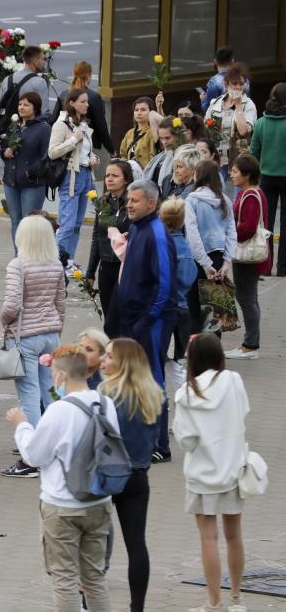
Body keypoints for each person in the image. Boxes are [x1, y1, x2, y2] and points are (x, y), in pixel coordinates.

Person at [5, 345, 119, 611]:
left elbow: (34, 456)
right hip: (99, 499)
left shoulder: (59, 410)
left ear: (62, 375)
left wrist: (21, 425)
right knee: (94, 577)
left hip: (63, 504)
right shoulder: (106, 403)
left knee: (65, 577)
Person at [173, 334, 250, 612]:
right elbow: (244, 413)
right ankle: (237, 598)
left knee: (208, 538)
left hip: (201, 473)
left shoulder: (186, 393)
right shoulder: (233, 381)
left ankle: (213, 602)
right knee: (234, 535)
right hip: (233, 469)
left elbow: (186, 441)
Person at [107, 179, 177, 462]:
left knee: (153, 378)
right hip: (132, 317)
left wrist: (146, 320)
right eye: (128, 200)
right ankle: (139, 434)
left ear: (151, 203)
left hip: (152, 320)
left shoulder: (158, 233)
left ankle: (160, 444)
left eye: (135, 200)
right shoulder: (137, 228)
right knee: (133, 377)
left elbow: (164, 285)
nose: (129, 204)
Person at [0, 215, 66, 479]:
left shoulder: (18, 265)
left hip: (25, 336)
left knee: (28, 395)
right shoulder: (55, 264)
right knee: (52, 393)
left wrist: (5, 320)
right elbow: (61, 302)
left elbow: (12, 304)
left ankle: (33, 457)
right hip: (51, 333)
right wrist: (57, 327)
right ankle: (58, 447)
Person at [99, 338, 163, 612]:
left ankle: (86, 599)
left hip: (107, 475)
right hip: (138, 475)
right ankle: (138, 606)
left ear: (123, 363)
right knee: (136, 543)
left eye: (109, 356)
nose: (103, 359)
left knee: (94, 538)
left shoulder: (107, 396)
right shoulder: (153, 395)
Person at [185, 160, 236, 336]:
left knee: (194, 310)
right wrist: (227, 262)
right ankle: (213, 356)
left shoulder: (191, 200)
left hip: (197, 259)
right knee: (216, 313)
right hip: (219, 258)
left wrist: (205, 264)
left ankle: (193, 354)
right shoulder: (225, 200)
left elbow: (192, 234)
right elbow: (231, 232)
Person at [49, 87, 99, 264]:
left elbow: (86, 152)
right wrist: (72, 140)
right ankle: (56, 261)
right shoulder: (61, 124)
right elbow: (52, 152)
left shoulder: (84, 125)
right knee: (67, 224)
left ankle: (68, 260)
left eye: (87, 101)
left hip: (85, 175)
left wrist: (93, 158)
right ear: (72, 103)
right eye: (83, 101)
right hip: (71, 177)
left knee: (77, 224)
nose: (87, 104)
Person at [227, 154, 270, 360]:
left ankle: (250, 346)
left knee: (246, 298)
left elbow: (248, 228)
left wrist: (230, 233)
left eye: (235, 172)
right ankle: (251, 343)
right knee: (249, 298)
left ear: (247, 174)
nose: (232, 175)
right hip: (247, 255)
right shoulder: (249, 193)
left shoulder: (251, 196)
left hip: (247, 255)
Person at [158, 199, 199, 391]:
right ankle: (188, 393)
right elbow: (191, 274)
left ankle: (186, 394)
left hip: (167, 310)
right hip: (180, 307)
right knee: (174, 360)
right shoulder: (183, 245)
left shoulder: (162, 244)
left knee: (166, 360)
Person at [1, 91, 50, 246]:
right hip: (11, 181)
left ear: (35, 108)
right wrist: (5, 152)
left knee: (29, 223)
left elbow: (47, 156)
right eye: (20, 104)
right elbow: (3, 146)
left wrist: (31, 171)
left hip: (32, 183)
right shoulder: (14, 126)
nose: (21, 107)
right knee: (15, 221)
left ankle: (29, 258)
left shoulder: (43, 128)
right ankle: (19, 258)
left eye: (26, 104)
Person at [85, 159, 133, 316]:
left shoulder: (133, 203)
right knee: (109, 321)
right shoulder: (103, 203)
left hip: (126, 267)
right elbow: (96, 238)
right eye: (107, 176)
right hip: (106, 267)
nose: (109, 179)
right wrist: (90, 273)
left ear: (126, 179)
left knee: (125, 317)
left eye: (115, 175)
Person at [251, 82, 286, 275]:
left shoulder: (261, 122)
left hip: (266, 177)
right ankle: (283, 268)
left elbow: (254, 151)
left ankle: (265, 267)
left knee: (266, 223)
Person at [48, 62, 114, 153]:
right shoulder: (93, 97)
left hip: (68, 143)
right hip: (89, 144)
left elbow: (53, 120)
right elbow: (101, 126)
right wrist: (111, 149)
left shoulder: (64, 94)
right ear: (88, 75)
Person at [204, 64, 257, 176]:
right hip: (217, 159)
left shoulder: (249, 105)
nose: (238, 87)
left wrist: (238, 106)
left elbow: (243, 131)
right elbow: (206, 128)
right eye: (234, 83)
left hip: (238, 161)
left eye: (241, 84)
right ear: (226, 83)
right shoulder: (216, 103)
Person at [0, 45, 52, 125]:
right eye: (43, 59)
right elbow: (44, 112)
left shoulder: (7, 79)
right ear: (36, 61)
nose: (44, 63)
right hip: (29, 127)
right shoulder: (39, 82)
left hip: (8, 127)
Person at [200, 45, 249, 112]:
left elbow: (209, 110)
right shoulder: (244, 80)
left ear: (215, 62)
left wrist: (203, 100)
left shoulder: (214, 82)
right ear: (232, 61)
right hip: (243, 117)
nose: (238, 86)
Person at [118, 97, 163, 169]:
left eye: (143, 110)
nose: (139, 113)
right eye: (136, 110)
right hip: (131, 173)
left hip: (147, 173)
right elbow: (123, 154)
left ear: (150, 112)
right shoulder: (130, 133)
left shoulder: (152, 132)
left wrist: (159, 108)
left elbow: (163, 126)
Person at [142, 116, 182, 192]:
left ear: (177, 135)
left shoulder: (185, 157)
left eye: (167, 138)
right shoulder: (159, 157)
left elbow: (152, 115)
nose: (164, 142)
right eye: (161, 138)